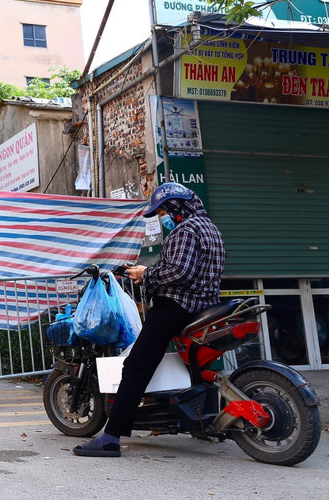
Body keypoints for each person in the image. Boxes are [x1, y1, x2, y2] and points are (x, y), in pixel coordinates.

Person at [73, 182, 225, 458]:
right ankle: (200, 423)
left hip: (176, 307)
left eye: (164, 211)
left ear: (177, 206)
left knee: (136, 366)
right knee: (191, 366)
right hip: (204, 307)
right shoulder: (211, 229)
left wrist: (146, 274)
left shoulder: (186, 229)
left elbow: (180, 272)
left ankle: (111, 438)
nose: (164, 217)